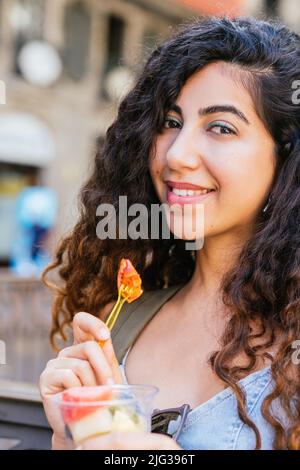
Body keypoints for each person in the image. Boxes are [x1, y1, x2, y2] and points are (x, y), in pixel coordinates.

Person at [39, 16, 300, 450]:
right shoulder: (118, 320)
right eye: (170, 122)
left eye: (221, 127)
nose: (177, 155)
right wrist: (71, 436)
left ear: (286, 161)